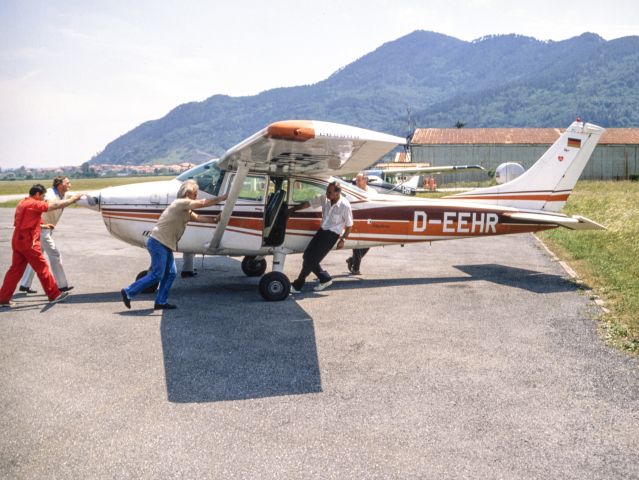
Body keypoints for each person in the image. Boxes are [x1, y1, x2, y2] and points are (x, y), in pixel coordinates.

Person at [120, 180, 227, 310]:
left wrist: (216, 219)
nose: (197, 196)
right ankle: (128, 291)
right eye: (195, 193)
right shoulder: (181, 203)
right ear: (188, 193)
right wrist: (222, 198)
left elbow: (199, 218)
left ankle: (160, 302)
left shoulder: (185, 210)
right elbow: (203, 203)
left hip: (165, 244)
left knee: (171, 273)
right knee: (157, 274)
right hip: (158, 243)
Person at [0, 184, 84, 308]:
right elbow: (55, 205)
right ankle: (54, 295)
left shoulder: (22, 202)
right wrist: (73, 199)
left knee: (15, 270)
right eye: (43, 196)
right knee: (42, 267)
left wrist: (44, 226)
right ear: (37, 194)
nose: (44, 199)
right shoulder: (35, 203)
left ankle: (3, 299)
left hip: (17, 239)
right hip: (29, 242)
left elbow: (23, 221)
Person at [290, 181, 352, 293]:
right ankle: (325, 279)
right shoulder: (325, 199)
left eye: (329, 192)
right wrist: (292, 210)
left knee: (311, 260)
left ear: (337, 193)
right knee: (307, 256)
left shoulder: (345, 205)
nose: (327, 194)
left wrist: (342, 239)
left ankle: (298, 285)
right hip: (322, 231)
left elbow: (349, 226)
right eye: (327, 191)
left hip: (331, 235)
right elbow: (308, 204)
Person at [18, 176, 76, 294]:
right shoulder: (49, 194)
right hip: (41, 229)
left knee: (36, 257)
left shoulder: (64, 194)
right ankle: (62, 286)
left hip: (46, 229)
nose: (70, 185)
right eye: (68, 183)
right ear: (60, 184)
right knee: (55, 255)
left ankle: (24, 284)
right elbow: (47, 203)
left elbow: (77, 195)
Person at [346, 173, 378, 275]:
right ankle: (356, 268)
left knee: (368, 244)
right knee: (357, 245)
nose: (357, 182)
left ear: (365, 180)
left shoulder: (373, 192)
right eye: (356, 180)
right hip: (356, 220)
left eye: (359, 180)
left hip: (369, 221)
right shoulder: (352, 192)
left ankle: (352, 260)